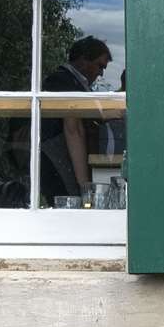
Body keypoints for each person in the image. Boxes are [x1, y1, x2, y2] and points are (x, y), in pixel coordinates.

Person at [39, 36, 112, 203]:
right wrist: (84, 187)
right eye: (100, 66)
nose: (101, 73)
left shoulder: (69, 82)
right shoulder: (64, 82)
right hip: (57, 162)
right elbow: (73, 129)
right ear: (82, 61)